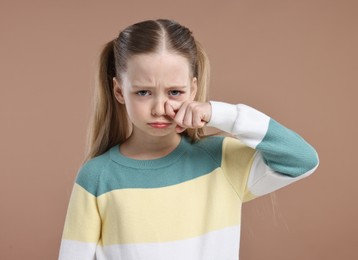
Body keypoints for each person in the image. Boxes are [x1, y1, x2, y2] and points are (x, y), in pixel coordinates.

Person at [58, 19, 319, 260]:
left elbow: (302, 160)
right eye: (144, 92)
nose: (160, 107)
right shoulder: (97, 177)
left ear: (192, 90)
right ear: (119, 91)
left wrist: (221, 114)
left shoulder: (220, 161)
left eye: (174, 92)